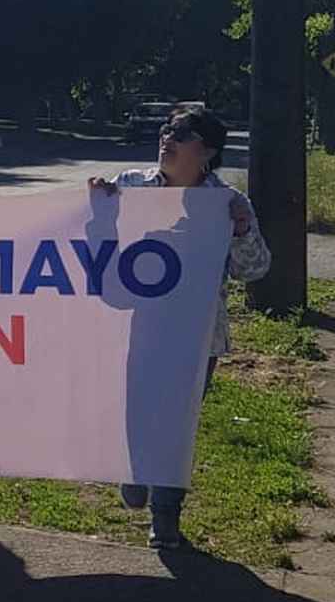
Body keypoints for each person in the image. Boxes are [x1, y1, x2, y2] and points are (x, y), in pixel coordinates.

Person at [93, 108, 270, 550]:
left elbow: (255, 269)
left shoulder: (226, 202)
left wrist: (241, 228)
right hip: (132, 327)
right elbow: (96, 241)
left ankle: (166, 517)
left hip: (196, 339)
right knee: (133, 413)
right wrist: (98, 206)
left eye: (183, 133)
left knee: (176, 424)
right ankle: (135, 473)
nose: (168, 137)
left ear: (207, 150)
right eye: (167, 130)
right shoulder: (130, 186)